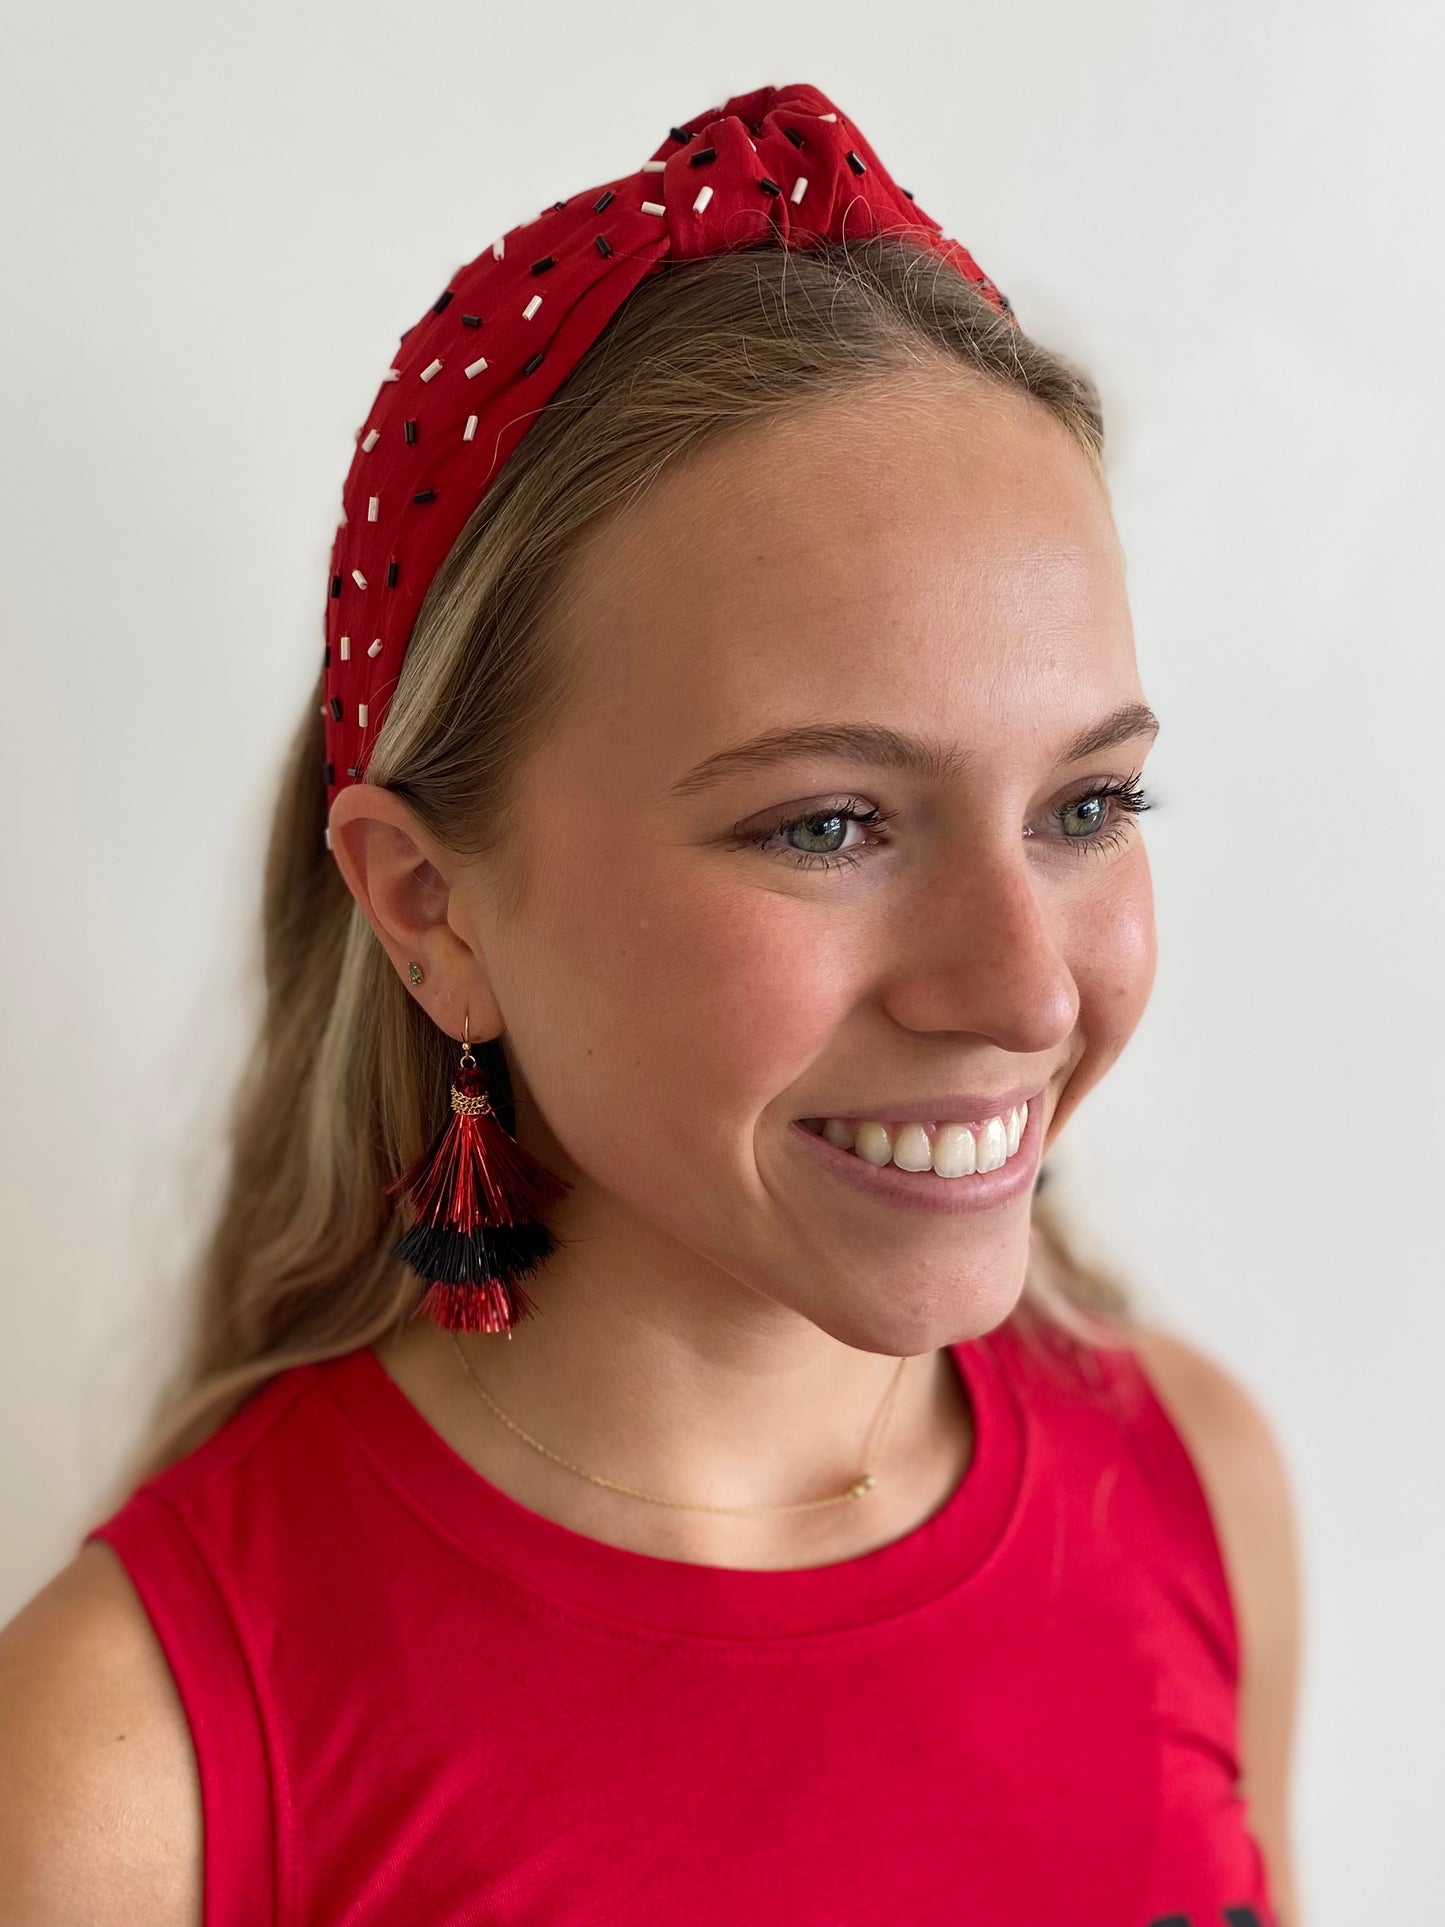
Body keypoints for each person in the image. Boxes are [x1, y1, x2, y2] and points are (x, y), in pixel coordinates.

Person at [0, 82, 1301, 1927]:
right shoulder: (130, 1776)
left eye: (1084, 806)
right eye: (830, 823)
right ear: (432, 909)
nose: (1023, 986)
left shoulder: (1194, 1491)